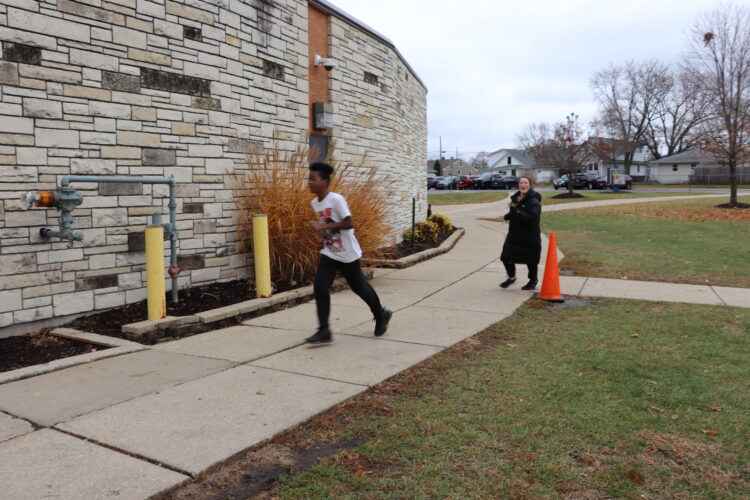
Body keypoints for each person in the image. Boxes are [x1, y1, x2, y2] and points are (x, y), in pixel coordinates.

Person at [305, 162, 392, 343]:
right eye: (309, 179)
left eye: (313, 179)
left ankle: (381, 313)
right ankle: (324, 330)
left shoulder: (336, 200)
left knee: (359, 287)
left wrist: (322, 226)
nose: (309, 182)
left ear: (324, 182)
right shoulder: (315, 203)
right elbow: (329, 224)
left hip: (348, 253)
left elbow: (349, 223)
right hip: (330, 252)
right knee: (320, 287)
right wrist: (322, 240)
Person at [499, 176, 542, 291]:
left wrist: (517, 211)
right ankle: (511, 277)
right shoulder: (516, 199)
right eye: (521, 183)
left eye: (526, 183)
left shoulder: (534, 201)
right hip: (514, 235)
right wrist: (508, 216)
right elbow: (514, 211)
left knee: (531, 260)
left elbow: (533, 218)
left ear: (530, 185)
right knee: (506, 257)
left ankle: (533, 281)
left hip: (529, 236)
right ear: (518, 185)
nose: (523, 185)